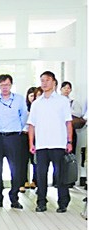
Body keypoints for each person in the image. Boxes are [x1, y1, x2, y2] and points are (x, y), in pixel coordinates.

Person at [27, 71, 74, 213]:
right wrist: (31, 143)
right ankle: (41, 202)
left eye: (47, 80)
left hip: (58, 143)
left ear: (54, 82)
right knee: (41, 175)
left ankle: (63, 202)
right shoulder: (36, 103)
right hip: (41, 145)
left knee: (60, 175)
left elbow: (68, 123)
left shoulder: (62, 101)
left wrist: (69, 141)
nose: (44, 83)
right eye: (42, 80)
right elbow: (31, 125)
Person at [0, 74, 27, 210]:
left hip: (14, 137)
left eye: (7, 85)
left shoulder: (19, 99)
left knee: (15, 168)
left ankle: (14, 198)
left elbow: (24, 117)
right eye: (2, 85)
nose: (5, 87)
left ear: (11, 85)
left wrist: (18, 130)